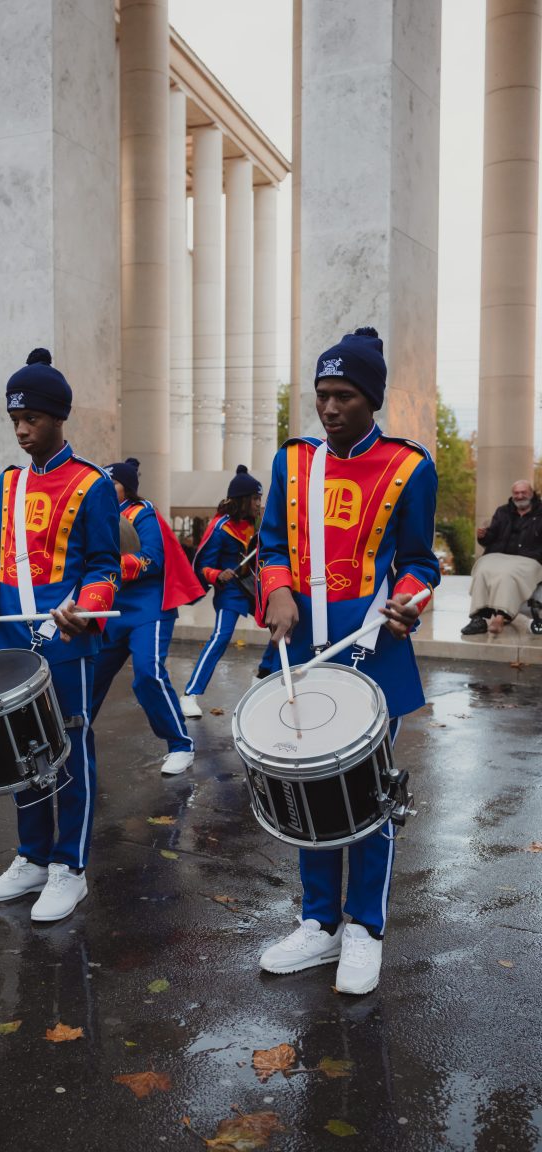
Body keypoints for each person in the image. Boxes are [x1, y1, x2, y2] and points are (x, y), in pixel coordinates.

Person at [256, 326, 440, 995]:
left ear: (371, 400)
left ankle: (364, 929)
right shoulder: (292, 462)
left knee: (367, 797)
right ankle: (317, 923)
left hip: (374, 655)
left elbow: (420, 563)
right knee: (304, 785)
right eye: (322, 395)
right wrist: (275, 589)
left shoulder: (409, 466)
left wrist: (408, 602)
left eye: (344, 396)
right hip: (302, 652)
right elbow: (271, 543)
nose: (329, 409)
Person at [0, 347, 121, 922]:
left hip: (66, 643)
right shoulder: (9, 484)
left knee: (67, 750)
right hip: (10, 639)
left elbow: (105, 565)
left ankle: (69, 867)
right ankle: (31, 856)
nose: (21, 431)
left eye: (31, 420)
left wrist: (83, 606)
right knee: (19, 751)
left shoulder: (92, 484)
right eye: (15, 421)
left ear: (59, 418)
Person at [91, 458, 204, 776]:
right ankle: (71, 742)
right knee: (89, 678)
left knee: (148, 674)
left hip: (149, 610)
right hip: (111, 610)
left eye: (110, 483)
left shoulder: (144, 513)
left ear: (126, 487)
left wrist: (110, 565)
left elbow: (152, 559)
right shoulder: (99, 515)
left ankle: (181, 746)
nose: (104, 489)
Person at [179, 465, 262, 718]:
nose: (260, 503)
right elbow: (202, 565)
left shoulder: (254, 523)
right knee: (221, 637)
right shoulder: (219, 527)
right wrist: (218, 575)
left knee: (284, 626)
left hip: (254, 587)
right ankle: (190, 694)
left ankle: (262, 676)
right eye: (256, 498)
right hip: (230, 592)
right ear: (244, 500)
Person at [460, 480, 542, 636]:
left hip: (530, 558)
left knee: (507, 574)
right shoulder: (502, 511)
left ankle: (501, 616)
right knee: (482, 569)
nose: (520, 496)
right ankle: (478, 619)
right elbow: (491, 538)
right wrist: (483, 536)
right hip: (499, 555)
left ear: (532, 493)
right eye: (516, 493)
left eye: (523, 492)